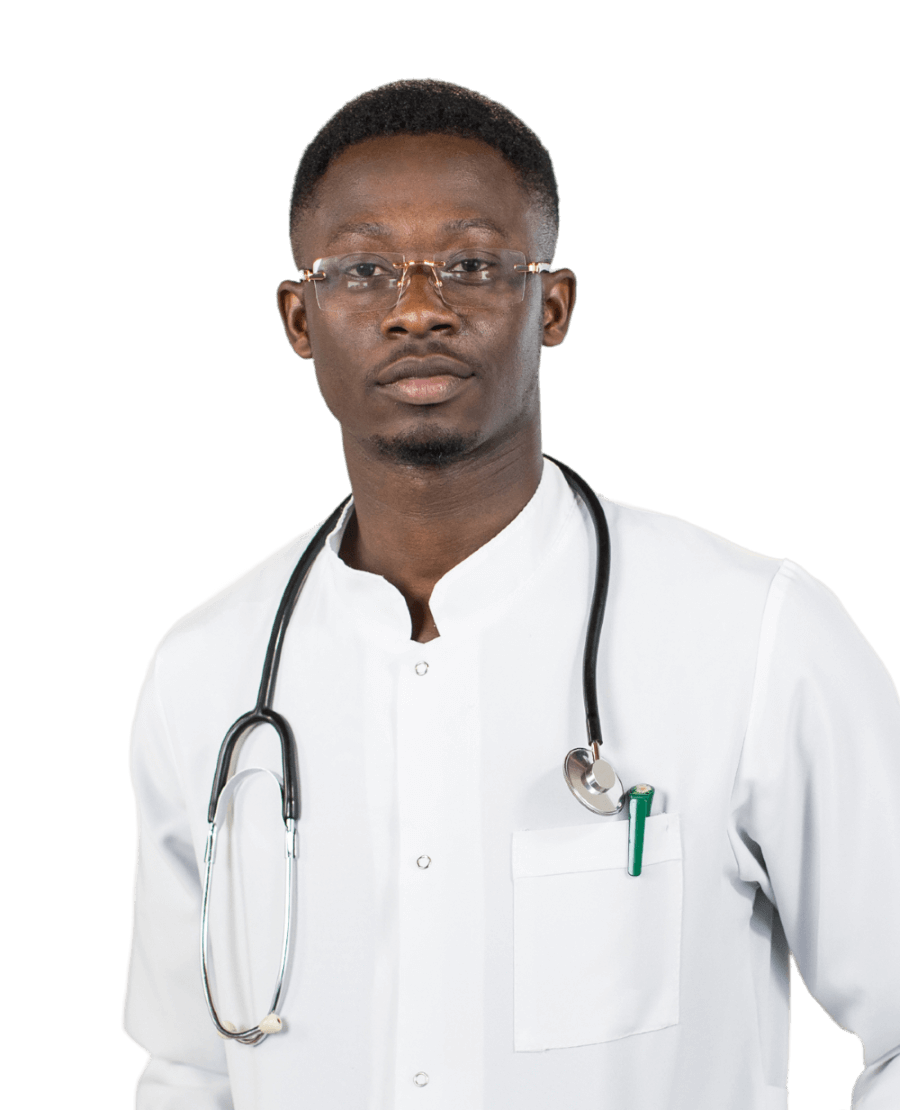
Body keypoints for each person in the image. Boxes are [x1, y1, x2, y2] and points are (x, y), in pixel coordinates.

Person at [122, 78, 899, 1108]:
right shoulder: (203, 670)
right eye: (363, 270)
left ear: (554, 305)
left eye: (472, 264)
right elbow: (187, 1072)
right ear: (299, 319)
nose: (417, 308)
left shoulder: (757, 637)